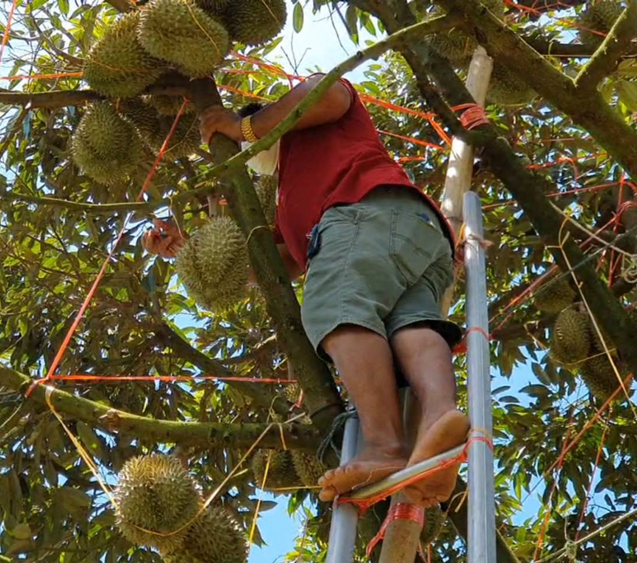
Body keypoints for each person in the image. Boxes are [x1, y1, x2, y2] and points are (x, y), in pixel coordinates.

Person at [143, 74, 470, 507]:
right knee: (412, 327)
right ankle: (438, 419)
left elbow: (327, 92)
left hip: (364, 210)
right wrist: (190, 250)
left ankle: (385, 447)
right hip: (419, 234)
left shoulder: (317, 123)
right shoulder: (291, 195)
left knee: (335, 308)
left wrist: (245, 127)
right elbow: (283, 263)